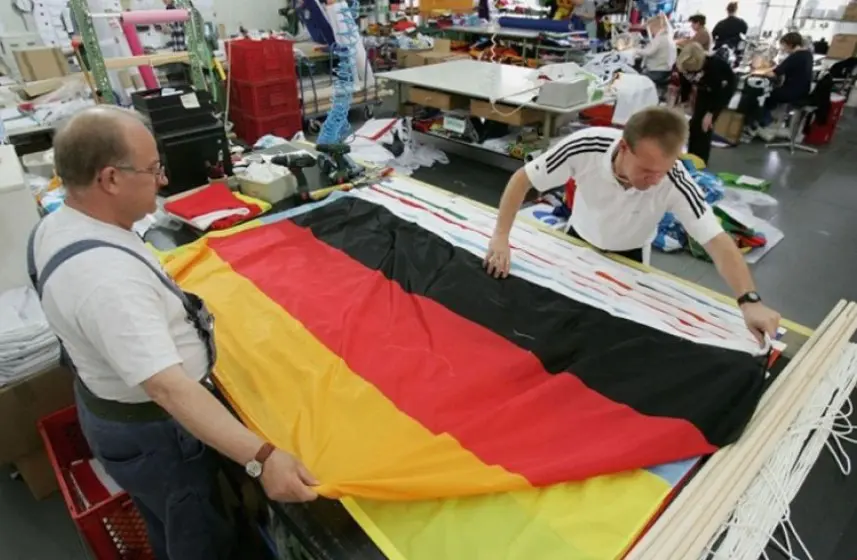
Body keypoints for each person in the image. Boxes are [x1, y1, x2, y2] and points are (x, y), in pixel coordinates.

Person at [29, 107, 318, 560]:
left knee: (169, 519)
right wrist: (262, 457)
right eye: (151, 169)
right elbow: (168, 388)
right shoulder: (107, 282)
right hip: (156, 436)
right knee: (195, 535)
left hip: (113, 410)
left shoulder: (56, 225)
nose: (162, 180)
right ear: (110, 179)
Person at [483, 106, 780, 342]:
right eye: (647, 170)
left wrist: (749, 300)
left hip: (631, 257)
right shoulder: (586, 146)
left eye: (663, 171)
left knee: (609, 333)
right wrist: (500, 236)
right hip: (576, 241)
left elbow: (716, 240)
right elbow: (523, 179)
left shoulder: (674, 179)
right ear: (624, 147)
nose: (655, 181)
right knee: (556, 320)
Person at [676, 42, 737, 164]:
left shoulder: (715, 67)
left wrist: (711, 113)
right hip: (704, 89)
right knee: (694, 125)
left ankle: (701, 161)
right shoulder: (684, 64)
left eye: (693, 70)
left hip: (719, 92)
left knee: (704, 128)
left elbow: (723, 93)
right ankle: (691, 157)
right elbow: (685, 83)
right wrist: (683, 101)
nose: (690, 72)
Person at [751, 31, 814, 137]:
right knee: (771, 92)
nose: (783, 48)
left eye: (784, 45)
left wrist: (758, 71)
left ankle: (765, 122)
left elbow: (774, 73)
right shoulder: (807, 54)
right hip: (802, 90)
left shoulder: (795, 56)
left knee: (762, 95)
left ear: (790, 44)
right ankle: (769, 121)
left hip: (792, 92)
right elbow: (783, 68)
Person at [639, 14, 677, 89]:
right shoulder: (667, 36)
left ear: (655, 27)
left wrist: (634, 50)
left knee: (636, 78)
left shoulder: (660, 38)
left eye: (651, 29)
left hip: (657, 72)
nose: (651, 32)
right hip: (666, 72)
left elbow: (648, 52)